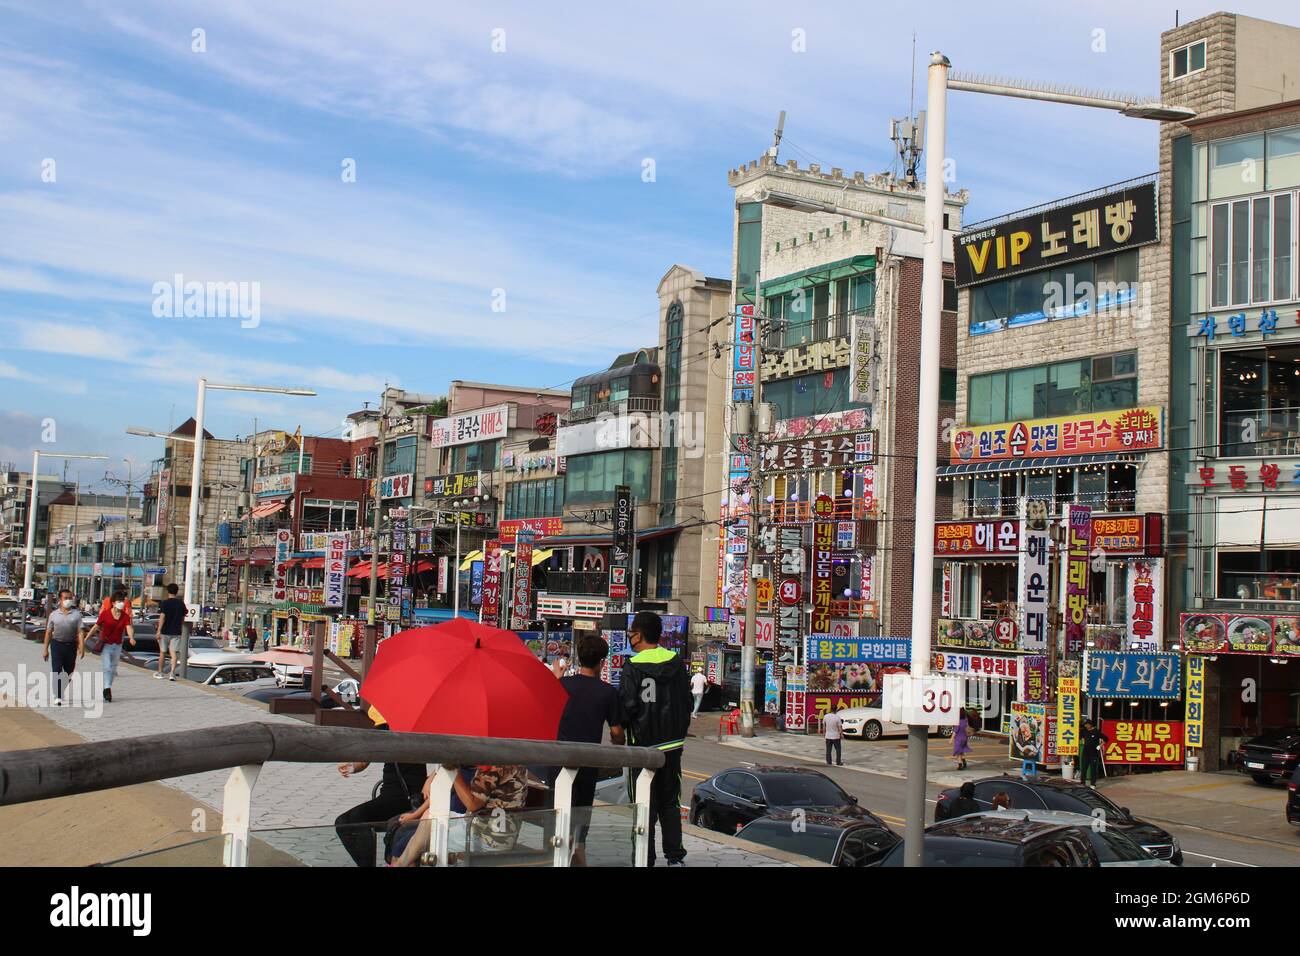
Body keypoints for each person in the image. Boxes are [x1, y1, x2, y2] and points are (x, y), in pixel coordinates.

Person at [618, 610, 692, 867]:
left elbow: (627, 707)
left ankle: (643, 858)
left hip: (642, 748)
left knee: (642, 806)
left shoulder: (632, 667)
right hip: (672, 747)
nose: (630, 639)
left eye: (630, 634)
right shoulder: (677, 664)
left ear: (638, 635)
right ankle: (675, 858)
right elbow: (688, 703)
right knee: (670, 803)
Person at [545, 635, 625, 866]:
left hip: (557, 763)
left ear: (579, 658)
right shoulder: (607, 692)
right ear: (602, 661)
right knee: (579, 832)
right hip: (586, 765)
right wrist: (618, 744)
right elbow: (617, 732)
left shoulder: (562, 685)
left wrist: (556, 680)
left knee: (559, 821)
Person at [334, 706, 428, 867]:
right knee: (346, 822)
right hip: (390, 796)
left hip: (407, 798)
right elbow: (365, 758)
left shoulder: (415, 727)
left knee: (347, 822)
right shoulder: (384, 727)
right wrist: (352, 767)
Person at [393, 764, 529, 866]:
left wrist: (454, 772)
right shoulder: (514, 762)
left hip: (488, 837)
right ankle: (401, 864)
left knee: (430, 835)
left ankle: (400, 864)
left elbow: (472, 804)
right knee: (430, 816)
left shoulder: (492, 766)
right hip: (497, 831)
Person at [83, 587, 135, 702]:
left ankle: (107, 686)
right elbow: (96, 627)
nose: (121, 604)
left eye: (122, 602)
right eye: (119, 601)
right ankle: (107, 689)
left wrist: (131, 637)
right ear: (113, 603)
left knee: (113, 668)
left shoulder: (125, 616)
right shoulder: (105, 614)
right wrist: (86, 638)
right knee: (107, 667)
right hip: (106, 645)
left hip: (117, 645)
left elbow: (128, 627)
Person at [42, 590, 85, 704]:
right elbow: (48, 632)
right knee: (57, 669)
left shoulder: (76, 615)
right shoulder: (54, 615)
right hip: (57, 644)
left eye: (70, 598)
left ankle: (60, 689)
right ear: (60, 600)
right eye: (65, 598)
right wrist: (45, 649)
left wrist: (82, 646)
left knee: (68, 672)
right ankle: (58, 695)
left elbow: (80, 632)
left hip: (71, 645)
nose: (68, 600)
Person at [155, 583, 186, 681]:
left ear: (168, 591)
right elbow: (183, 617)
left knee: (163, 652)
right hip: (176, 631)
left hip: (165, 631)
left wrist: (158, 630)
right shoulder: (181, 604)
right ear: (177, 592)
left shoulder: (165, 603)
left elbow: (162, 617)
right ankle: (172, 673)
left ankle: (160, 672)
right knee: (174, 653)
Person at [1079, 719, 1109, 788]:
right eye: (1085, 725)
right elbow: (1081, 737)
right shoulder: (1084, 731)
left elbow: (1106, 739)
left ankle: (1093, 784)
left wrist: (1100, 746)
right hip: (1085, 753)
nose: (1085, 726)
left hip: (1094, 753)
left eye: (1086, 724)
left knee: (1093, 769)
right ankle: (1082, 783)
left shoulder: (1096, 731)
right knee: (1084, 768)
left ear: (1090, 724)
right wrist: (1083, 741)